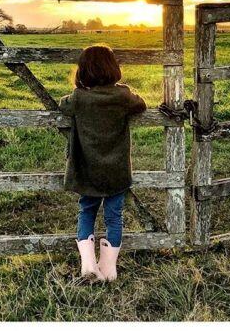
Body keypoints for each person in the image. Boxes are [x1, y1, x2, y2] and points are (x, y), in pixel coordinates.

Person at [59, 44, 147, 282]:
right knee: (114, 217)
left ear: (83, 70)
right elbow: (141, 105)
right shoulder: (122, 95)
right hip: (116, 171)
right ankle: (109, 270)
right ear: (113, 68)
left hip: (87, 170)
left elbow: (62, 105)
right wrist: (123, 91)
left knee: (86, 211)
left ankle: (88, 265)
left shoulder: (78, 98)